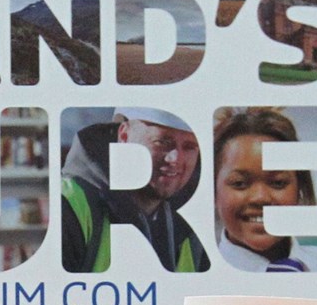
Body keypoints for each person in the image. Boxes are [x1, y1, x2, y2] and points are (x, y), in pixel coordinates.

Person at [61, 109, 211, 273]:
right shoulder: (68, 205)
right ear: (124, 137)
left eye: (190, 147)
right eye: (162, 142)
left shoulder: (193, 227)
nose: (175, 159)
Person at [213, 107, 317, 272]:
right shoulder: (195, 277)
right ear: (214, 191)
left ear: (299, 187)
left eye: (278, 183)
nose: (260, 197)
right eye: (240, 183)